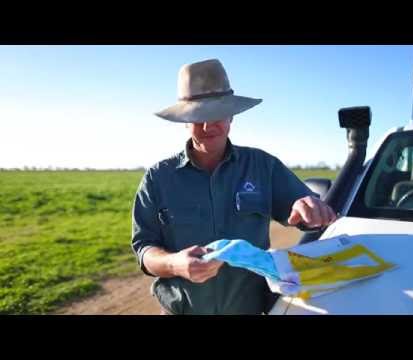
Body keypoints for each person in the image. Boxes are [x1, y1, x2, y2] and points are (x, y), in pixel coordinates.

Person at [131, 58, 336, 315]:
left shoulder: (263, 165)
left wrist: (307, 207)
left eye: (216, 114)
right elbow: (144, 249)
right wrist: (174, 264)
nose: (208, 126)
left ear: (231, 115)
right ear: (184, 120)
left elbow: (301, 208)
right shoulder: (158, 178)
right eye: (198, 116)